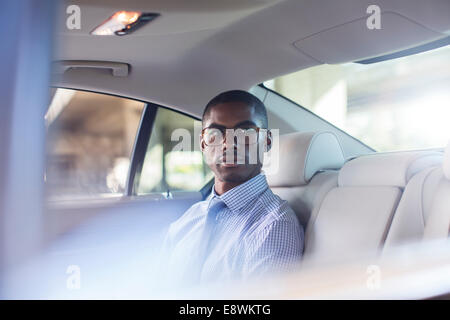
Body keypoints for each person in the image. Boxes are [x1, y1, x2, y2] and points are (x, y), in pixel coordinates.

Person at [160, 90, 303, 286]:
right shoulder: (190, 218)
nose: (228, 144)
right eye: (215, 134)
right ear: (203, 143)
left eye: (245, 133)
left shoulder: (273, 225)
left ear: (267, 141)